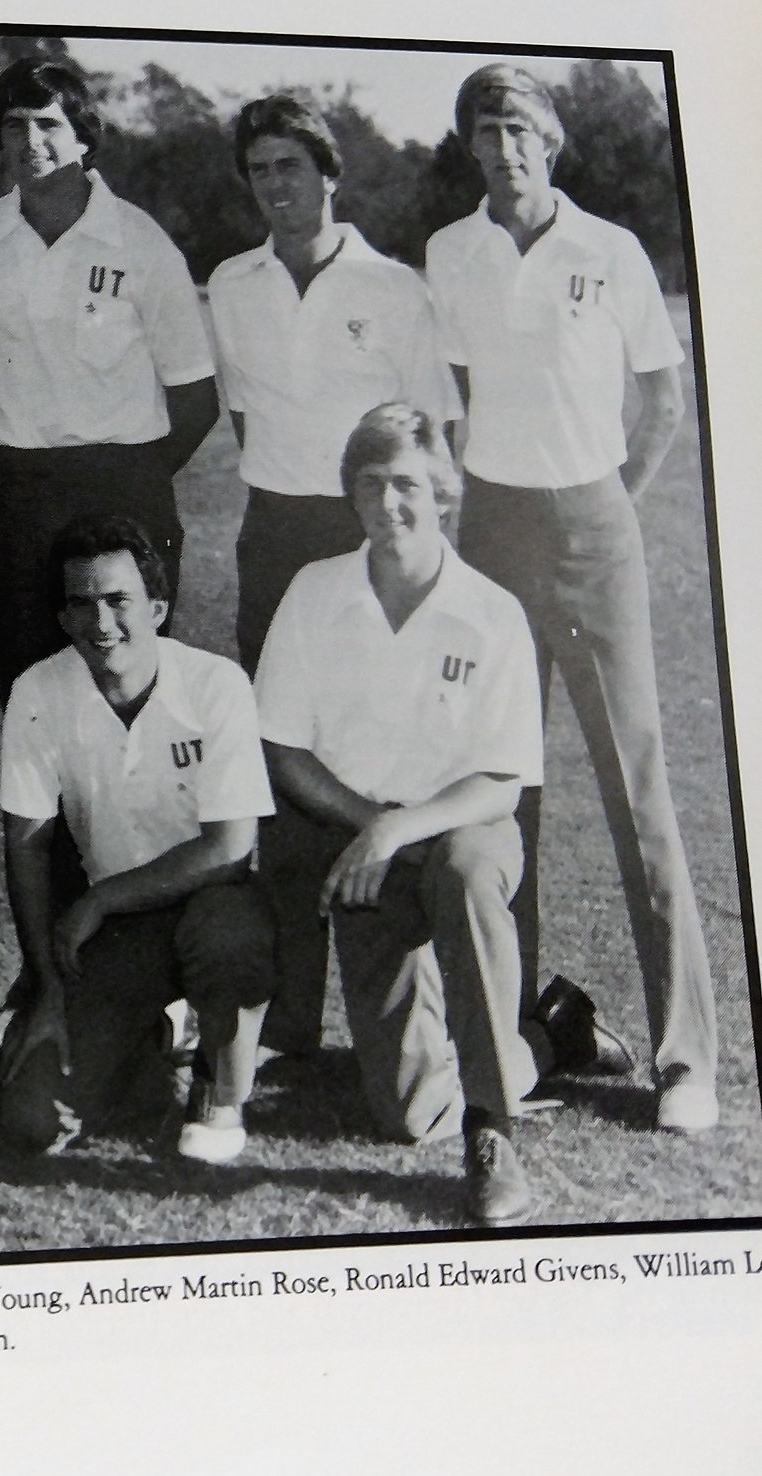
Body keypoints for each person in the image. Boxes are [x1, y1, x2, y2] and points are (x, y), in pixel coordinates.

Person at [427, 64, 715, 1133]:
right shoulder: (449, 252)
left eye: (517, 127)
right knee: (502, 789)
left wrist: (616, 504)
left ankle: (686, 1057)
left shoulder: (611, 250)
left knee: (636, 788)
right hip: (490, 527)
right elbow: (451, 398)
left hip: (593, 524)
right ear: (468, 148)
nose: (502, 147)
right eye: (484, 130)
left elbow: (664, 398)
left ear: (549, 140)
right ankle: (512, 1036)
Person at [204, 92, 461, 1058]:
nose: (277, 187)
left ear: (329, 176)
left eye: (293, 168)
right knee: (284, 760)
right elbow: (244, 421)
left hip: (371, 537)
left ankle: (404, 1007)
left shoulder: (394, 288)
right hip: (274, 532)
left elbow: (433, 439)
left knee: (375, 750)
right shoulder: (231, 284)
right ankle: (290, 1017)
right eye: (260, 170)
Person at [257, 405, 546, 1223]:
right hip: (364, 848)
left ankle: (493, 1133)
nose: (389, 504)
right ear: (350, 494)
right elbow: (284, 748)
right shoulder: (315, 593)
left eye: (408, 485)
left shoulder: (493, 613)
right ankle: (556, 1033)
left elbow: (502, 780)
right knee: (408, 1114)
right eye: (371, 484)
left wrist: (397, 826)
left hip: (460, 831)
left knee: (459, 873)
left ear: (444, 494)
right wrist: (370, 824)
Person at [0, 515, 275, 1161]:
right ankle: (154, 1041)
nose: (101, 622)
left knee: (231, 932)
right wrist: (47, 990)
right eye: (81, 603)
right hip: (120, 934)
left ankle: (220, 1091)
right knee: (31, 1119)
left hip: (210, 905)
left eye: (118, 600)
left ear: (156, 606)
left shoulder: (216, 683)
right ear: (62, 617)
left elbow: (229, 846)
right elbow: (26, 846)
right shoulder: (38, 690)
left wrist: (99, 899)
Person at [0, 58, 219, 697]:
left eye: (48, 124)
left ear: (84, 137)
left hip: (126, 487)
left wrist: (130, 475)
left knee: (130, 683)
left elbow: (196, 398)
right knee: (29, 684)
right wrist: (36, 446)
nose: (29, 143)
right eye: (14, 126)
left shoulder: (140, 241)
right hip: (22, 489)